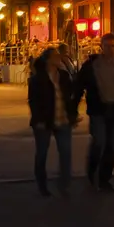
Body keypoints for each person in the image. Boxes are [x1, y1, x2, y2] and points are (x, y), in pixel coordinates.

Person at [75, 32, 114, 191]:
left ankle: (104, 179)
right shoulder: (92, 65)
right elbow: (78, 86)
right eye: (108, 46)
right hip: (99, 110)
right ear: (101, 47)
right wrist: (72, 109)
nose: (111, 49)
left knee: (112, 146)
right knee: (99, 142)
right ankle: (92, 173)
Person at [27, 45, 81, 196]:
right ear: (48, 60)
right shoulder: (37, 79)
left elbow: (69, 98)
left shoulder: (63, 76)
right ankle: (42, 185)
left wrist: (73, 114)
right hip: (44, 121)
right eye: (56, 56)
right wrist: (38, 119)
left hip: (62, 120)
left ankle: (64, 185)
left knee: (66, 153)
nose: (59, 58)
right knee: (42, 153)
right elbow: (33, 101)